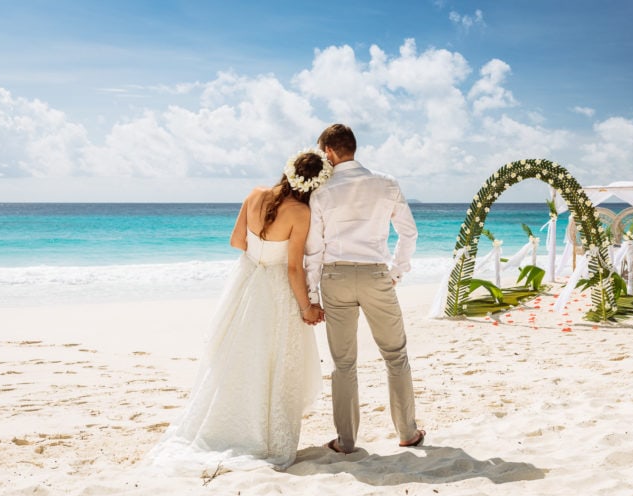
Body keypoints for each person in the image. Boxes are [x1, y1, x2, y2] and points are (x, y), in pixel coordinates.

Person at [146, 149, 330, 472]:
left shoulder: (255, 193)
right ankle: (260, 435)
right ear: (314, 186)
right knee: (270, 362)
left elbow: (236, 241)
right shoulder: (300, 213)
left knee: (235, 357)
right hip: (275, 292)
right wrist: (307, 307)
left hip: (245, 283)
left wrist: (260, 255)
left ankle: (224, 422)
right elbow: (293, 269)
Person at [304, 123, 425, 454]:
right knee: (395, 355)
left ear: (329, 151)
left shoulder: (322, 192)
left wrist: (312, 294)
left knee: (343, 364)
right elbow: (409, 233)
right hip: (375, 276)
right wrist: (396, 272)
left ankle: (345, 441)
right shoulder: (386, 184)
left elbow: (314, 249)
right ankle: (407, 432)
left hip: (335, 278)